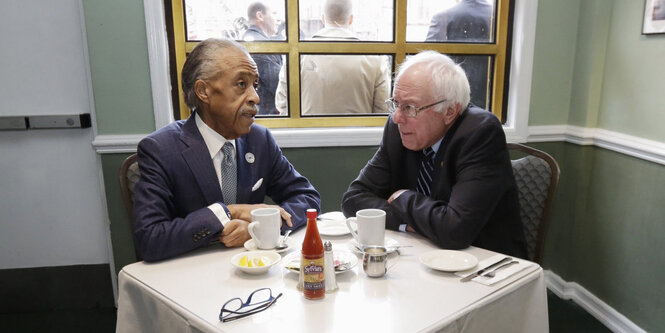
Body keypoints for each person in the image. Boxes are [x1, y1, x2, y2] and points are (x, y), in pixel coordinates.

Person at [133, 38, 321, 262]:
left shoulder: (260, 141)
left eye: (255, 85)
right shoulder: (161, 149)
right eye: (241, 84)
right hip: (192, 278)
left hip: (256, 273)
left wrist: (259, 226)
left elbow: (307, 198)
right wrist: (229, 212)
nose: (255, 97)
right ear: (204, 91)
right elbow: (149, 239)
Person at [341, 51, 527, 258]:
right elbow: (353, 200)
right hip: (422, 254)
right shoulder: (398, 129)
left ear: (449, 112)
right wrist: (415, 223)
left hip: (484, 262)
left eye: (410, 107)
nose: (397, 117)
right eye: (396, 104)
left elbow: (455, 231)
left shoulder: (480, 133)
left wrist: (404, 198)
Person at [275, 0, 391, 115]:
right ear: (351, 19)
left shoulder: (298, 56)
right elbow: (383, 109)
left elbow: (283, 104)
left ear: (323, 19)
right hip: (358, 132)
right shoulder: (375, 58)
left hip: (306, 130)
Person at [426, 0, 492, 109]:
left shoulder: (443, 17)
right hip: (490, 96)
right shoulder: (497, 19)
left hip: (451, 97)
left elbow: (428, 59)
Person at [242, 2, 283, 115]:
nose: (279, 19)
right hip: (266, 114)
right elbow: (280, 87)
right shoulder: (262, 46)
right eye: (274, 13)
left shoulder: (249, 39)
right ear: (260, 16)